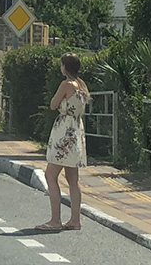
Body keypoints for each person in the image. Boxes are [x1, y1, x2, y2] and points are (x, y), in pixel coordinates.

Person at [36, 52, 90, 231]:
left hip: (64, 131)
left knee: (50, 175)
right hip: (77, 130)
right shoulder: (82, 85)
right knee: (73, 179)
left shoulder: (66, 84)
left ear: (65, 67)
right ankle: (75, 220)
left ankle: (55, 220)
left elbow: (53, 104)